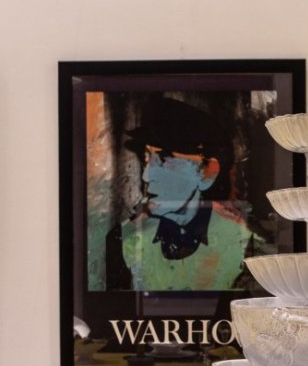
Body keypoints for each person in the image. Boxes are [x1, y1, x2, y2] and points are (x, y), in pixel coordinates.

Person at [105, 95, 260, 291]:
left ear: (207, 173)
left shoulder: (244, 243)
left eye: (163, 160)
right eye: (146, 159)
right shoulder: (123, 241)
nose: (146, 175)